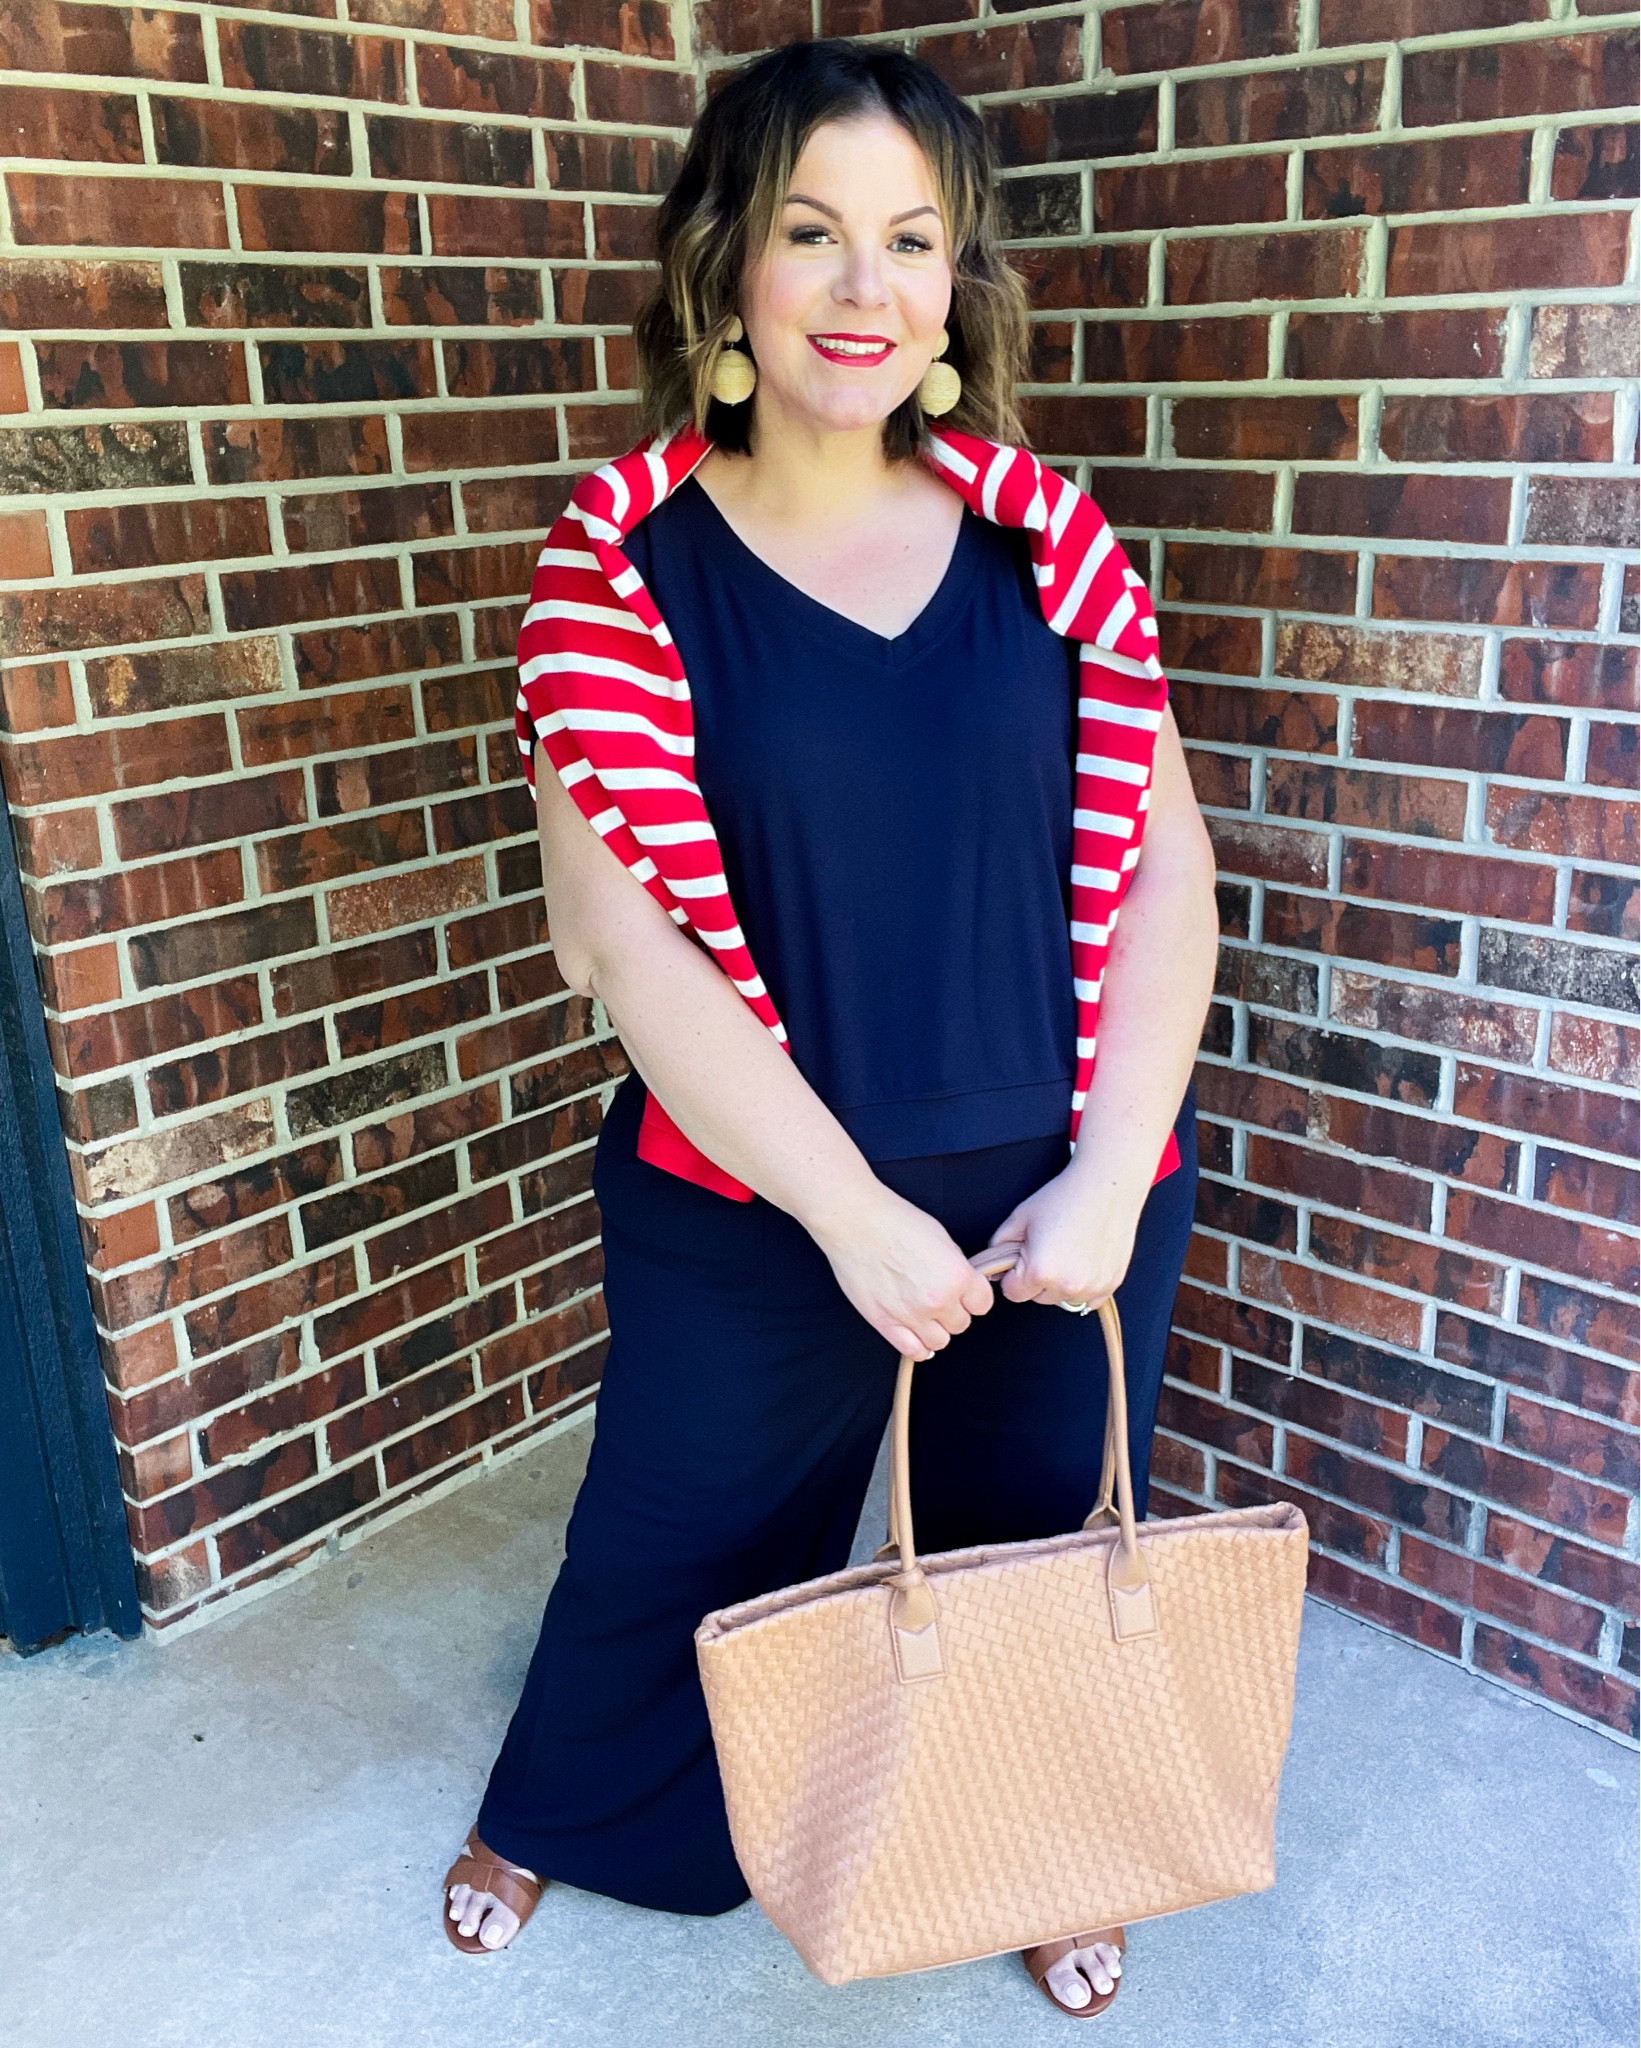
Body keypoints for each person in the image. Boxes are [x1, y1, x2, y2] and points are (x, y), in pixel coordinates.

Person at [440, 38, 1218, 2022]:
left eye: (909, 241)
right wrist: (850, 1219)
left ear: (954, 286)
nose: (864, 290)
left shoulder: (1055, 551)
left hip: (1061, 1194)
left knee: (1030, 1540)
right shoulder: (614, 577)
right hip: (751, 1193)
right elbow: (632, 958)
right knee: (679, 1524)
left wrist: (1113, 1177)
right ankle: (582, 1806)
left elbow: (1164, 884)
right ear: (725, 266)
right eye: (810, 233)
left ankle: (1042, 1835)